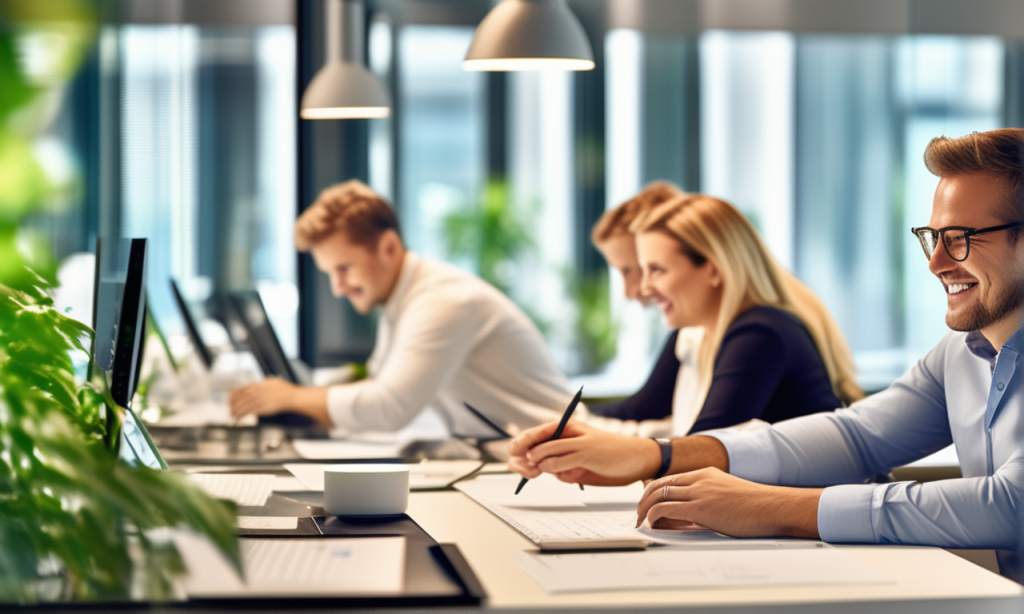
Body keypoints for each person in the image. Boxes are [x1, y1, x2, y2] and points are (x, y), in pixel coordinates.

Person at [508, 128, 1024, 583]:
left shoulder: (762, 330)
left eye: (959, 240)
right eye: (934, 237)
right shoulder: (961, 352)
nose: (935, 262)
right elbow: (858, 436)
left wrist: (773, 507)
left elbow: (1012, 506)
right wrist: (657, 454)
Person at [229, 180, 573, 437]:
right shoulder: (403, 296)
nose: (338, 287)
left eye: (344, 268)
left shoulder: (441, 301)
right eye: (330, 273)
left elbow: (389, 407)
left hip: (565, 462)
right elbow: (378, 383)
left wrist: (293, 397)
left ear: (389, 248)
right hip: (518, 458)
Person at [583, 191, 862, 438]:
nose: (642, 288)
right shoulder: (724, 332)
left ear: (714, 268)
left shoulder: (760, 334)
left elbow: (698, 453)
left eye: (656, 270)